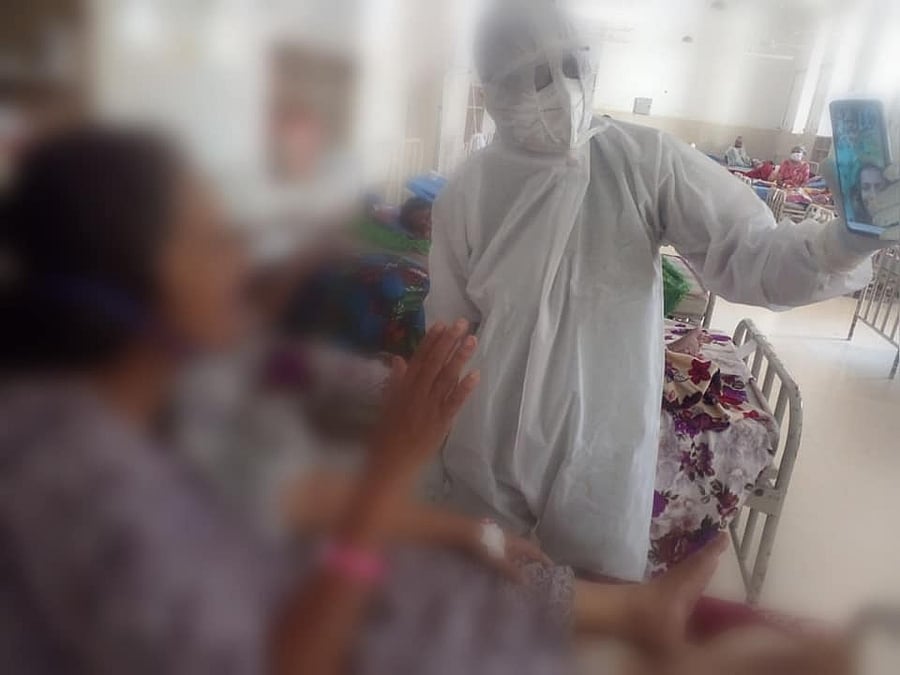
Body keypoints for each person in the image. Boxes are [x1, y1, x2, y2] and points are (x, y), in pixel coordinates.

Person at [0, 126, 749, 675]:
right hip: (274, 640)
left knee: (439, 571)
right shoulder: (69, 470)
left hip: (262, 585)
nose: (239, 258)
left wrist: (458, 532)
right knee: (411, 606)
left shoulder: (173, 383)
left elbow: (278, 482)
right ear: (126, 287)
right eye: (208, 241)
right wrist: (393, 467)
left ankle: (636, 612)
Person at [425, 0, 893, 581]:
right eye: (538, 74)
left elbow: (747, 252)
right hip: (485, 442)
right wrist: (424, 457)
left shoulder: (642, 162)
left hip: (602, 443)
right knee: (480, 604)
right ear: (495, 88)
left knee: (597, 614)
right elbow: (447, 333)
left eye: (574, 65)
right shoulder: (467, 194)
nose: (565, 90)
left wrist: (839, 245)